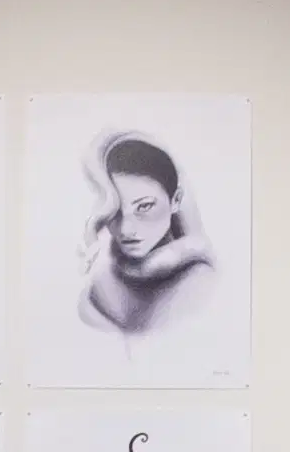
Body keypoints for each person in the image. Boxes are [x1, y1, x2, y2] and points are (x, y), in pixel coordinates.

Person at [78, 134, 218, 339]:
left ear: (175, 200)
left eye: (144, 206)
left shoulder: (201, 283)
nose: (126, 229)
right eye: (115, 211)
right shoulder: (98, 285)